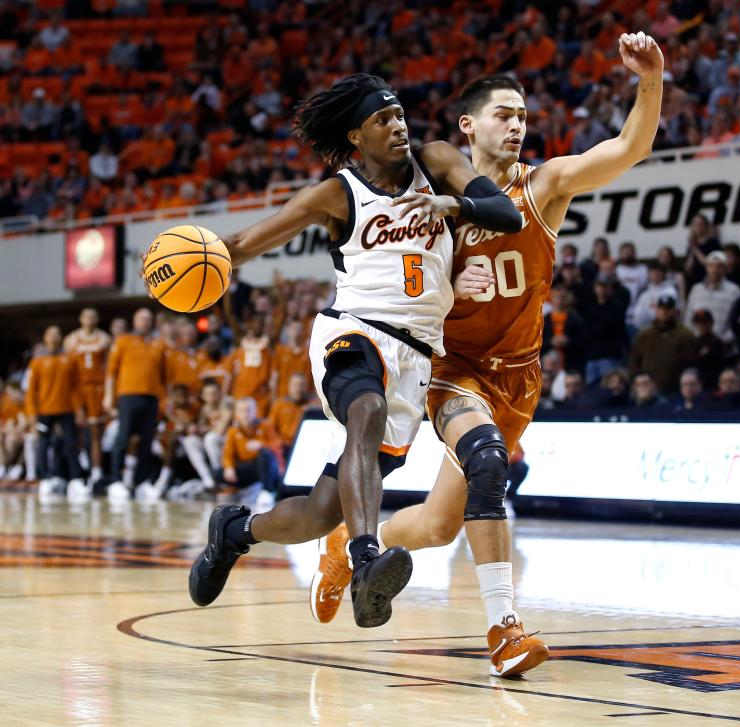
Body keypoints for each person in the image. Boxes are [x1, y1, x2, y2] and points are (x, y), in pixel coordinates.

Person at [331, 34, 663, 676]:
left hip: (520, 378)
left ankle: (351, 542)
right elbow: (391, 290)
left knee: (434, 526)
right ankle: (503, 631)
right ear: (468, 125)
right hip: (452, 371)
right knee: (486, 461)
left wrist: (650, 80)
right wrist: (449, 286)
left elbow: (629, 149)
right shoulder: (431, 202)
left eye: (524, 116)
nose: (517, 125)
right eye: (503, 114)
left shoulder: (546, 186)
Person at [182, 73, 522, 633]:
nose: (398, 126)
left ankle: (235, 532)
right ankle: (366, 558)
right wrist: (181, 262)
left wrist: (452, 203)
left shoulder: (435, 161)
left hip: (416, 356)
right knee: (364, 410)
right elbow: (244, 244)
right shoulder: (336, 194)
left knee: (319, 514)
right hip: (352, 331)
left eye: (399, 116)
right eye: (382, 121)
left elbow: (504, 215)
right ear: (356, 137)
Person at [104, 308, 166, 501]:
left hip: (152, 397)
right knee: (123, 438)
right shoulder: (123, 340)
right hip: (128, 395)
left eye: (148, 319)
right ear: (134, 320)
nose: (145, 322)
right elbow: (111, 372)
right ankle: (116, 480)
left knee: (146, 441)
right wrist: (108, 396)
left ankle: (141, 482)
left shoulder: (158, 344)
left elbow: (164, 376)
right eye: (142, 319)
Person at [25, 326, 85, 498]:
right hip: (44, 411)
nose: (54, 337)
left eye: (57, 334)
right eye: (51, 334)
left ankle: (75, 479)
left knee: (71, 443)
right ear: (45, 338)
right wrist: (31, 416)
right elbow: (31, 392)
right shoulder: (36, 363)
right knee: (43, 445)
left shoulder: (70, 360)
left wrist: (79, 409)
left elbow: (76, 387)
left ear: (61, 338)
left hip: (66, 410)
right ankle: (44, 478)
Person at [63, 308, 111, 489]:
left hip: (97, 387)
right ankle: (78, 473)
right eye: (86, 316)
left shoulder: (104, 339)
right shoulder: (71, 340)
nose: (89, 319)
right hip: (78, 388)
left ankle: (96, 473)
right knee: (75, 432)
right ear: (80, 319)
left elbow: (108, 367)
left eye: (93, 316)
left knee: (96, 432)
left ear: (97, 319)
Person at [220, 397, 284, 504]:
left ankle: (267, 490)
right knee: (219, 473)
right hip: (249, 468)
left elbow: (279, 445)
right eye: (241, 410)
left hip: (267, 468)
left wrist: (262, 444)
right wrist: (228, 467)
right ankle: (240, 489)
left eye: (248, 410)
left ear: (255, 411)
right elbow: (227, 454)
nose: (245, 414)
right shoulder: (232, 431)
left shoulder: (265, 425)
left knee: (264, 454)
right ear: (236, 413)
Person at [629, 294, 695, 394]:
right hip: (648, 388)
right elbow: (634, 362)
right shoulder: (644, 335)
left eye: (668, 308)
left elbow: (690, 364)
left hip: (675, 389)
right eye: (661, 308)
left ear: (674, 311)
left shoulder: (685, 335)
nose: (664, 312)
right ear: (656, 310)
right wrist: (636, 382)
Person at [683, 250, 740, 346]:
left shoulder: (734, 291)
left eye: (719, 266)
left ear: (725, 268)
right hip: (697, 346)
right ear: (706, 268)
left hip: (724, 347)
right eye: (711, 266)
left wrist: (724, 341)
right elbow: (688, 318)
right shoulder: (696, 289)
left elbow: (736, 322)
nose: (715, 269)